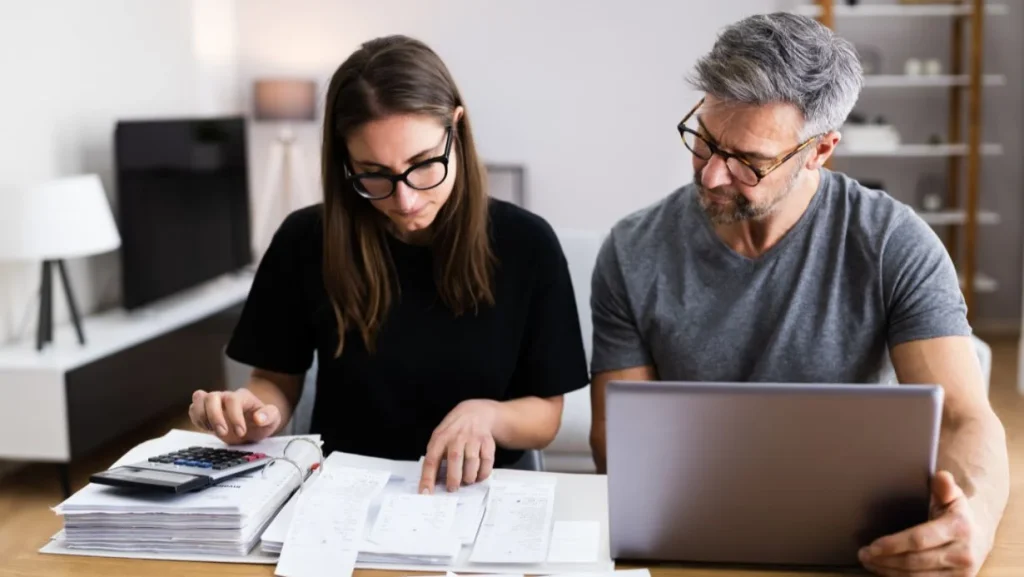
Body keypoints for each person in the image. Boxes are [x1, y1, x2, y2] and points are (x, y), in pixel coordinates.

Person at [587, 13, 1008, 577]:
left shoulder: (892, 244)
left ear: (821, 149)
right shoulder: (632, 250)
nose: (712, 175)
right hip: (687, 543)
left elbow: (964, 418)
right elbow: (619, 438)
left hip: (859, 550)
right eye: (704, 140)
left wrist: (973, 520)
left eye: (748, 162)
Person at [188, 34, 588, 494]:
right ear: (345, 162)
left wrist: (487, 414)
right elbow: (275, 381)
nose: (405, 199)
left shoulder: (527, 244)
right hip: (342, 489)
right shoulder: (305, 240)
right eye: (374, 173)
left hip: (481, 492)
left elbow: (546, 414)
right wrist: (251, 412)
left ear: (456, 128)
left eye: (422, 164)